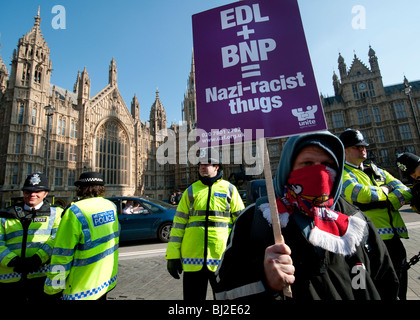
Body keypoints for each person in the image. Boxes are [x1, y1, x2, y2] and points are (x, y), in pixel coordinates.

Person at [214, 131, 399, 300]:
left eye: (327, 165)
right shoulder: (256, 218)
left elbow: (386, 281)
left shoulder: (355, 221)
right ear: (288, 167)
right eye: (307, 164)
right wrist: (264, 278)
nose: (319, 173)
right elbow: (223, 291)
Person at [339, 128, 412, 300]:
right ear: (345, 150)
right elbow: (359, 194)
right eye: (357, 146)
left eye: (363, 146)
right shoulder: (342, 172)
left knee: (400, 286)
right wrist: (387, 191)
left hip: (394, 238)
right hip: (368, 241)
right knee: (377, 288)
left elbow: (405, 190)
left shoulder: (376, 170)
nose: (362, 149)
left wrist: (388, 200)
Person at [165, 148, 245, 300]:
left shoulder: (230, 190)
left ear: (216, 167)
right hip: (192, 260)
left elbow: (241, 225)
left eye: (207, 163)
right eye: (200, 164)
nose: (202, 166)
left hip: (222, 260)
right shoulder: (190, 191)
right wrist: (173, 255)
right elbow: (178, 225)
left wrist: (240, 254)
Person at [44, 171, 120, 300]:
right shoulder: (110, 206)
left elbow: (62, 254)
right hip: (105, 282)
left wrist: (54, 287)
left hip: (81, 288)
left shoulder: (75, 211)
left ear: (81, 188)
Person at [0, 172, 63, 301]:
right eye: (28, 191)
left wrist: (38, 258)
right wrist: (12, 261)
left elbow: (57, 239)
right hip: (10, 280)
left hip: (44, 278)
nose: (32, 194)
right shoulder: (5, 215)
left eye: (37, 191)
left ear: (45, 193)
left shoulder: (57, 213)